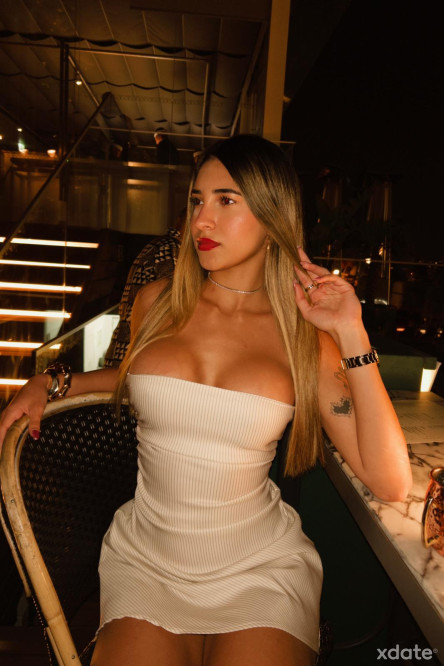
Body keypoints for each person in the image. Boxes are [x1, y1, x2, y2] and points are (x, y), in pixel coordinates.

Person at [0, 135, 412, 666]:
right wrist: (52, 381)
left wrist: (352, 331)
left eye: (225, 200)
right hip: (147, 562)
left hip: (258, 569)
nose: (201, 220)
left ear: (272, 216)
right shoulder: (157, 301)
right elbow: (133, 377)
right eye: (197, 200)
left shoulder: (302, 336)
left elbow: (390, 480)